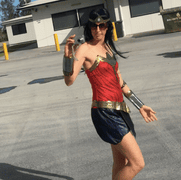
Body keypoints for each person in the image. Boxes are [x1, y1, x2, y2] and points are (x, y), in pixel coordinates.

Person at [63, 8, 157, 180]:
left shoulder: (107, 47)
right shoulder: (84, 49)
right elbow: (69, 81)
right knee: (137, 163)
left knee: (122, 162)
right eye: (94, 26)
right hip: (104, 113)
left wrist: (140, 105)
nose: (97, 30)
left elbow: (120, 82)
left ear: (108, 27)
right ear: (89, 27)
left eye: (102, 25)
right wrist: (68, 56)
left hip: (121, 110)